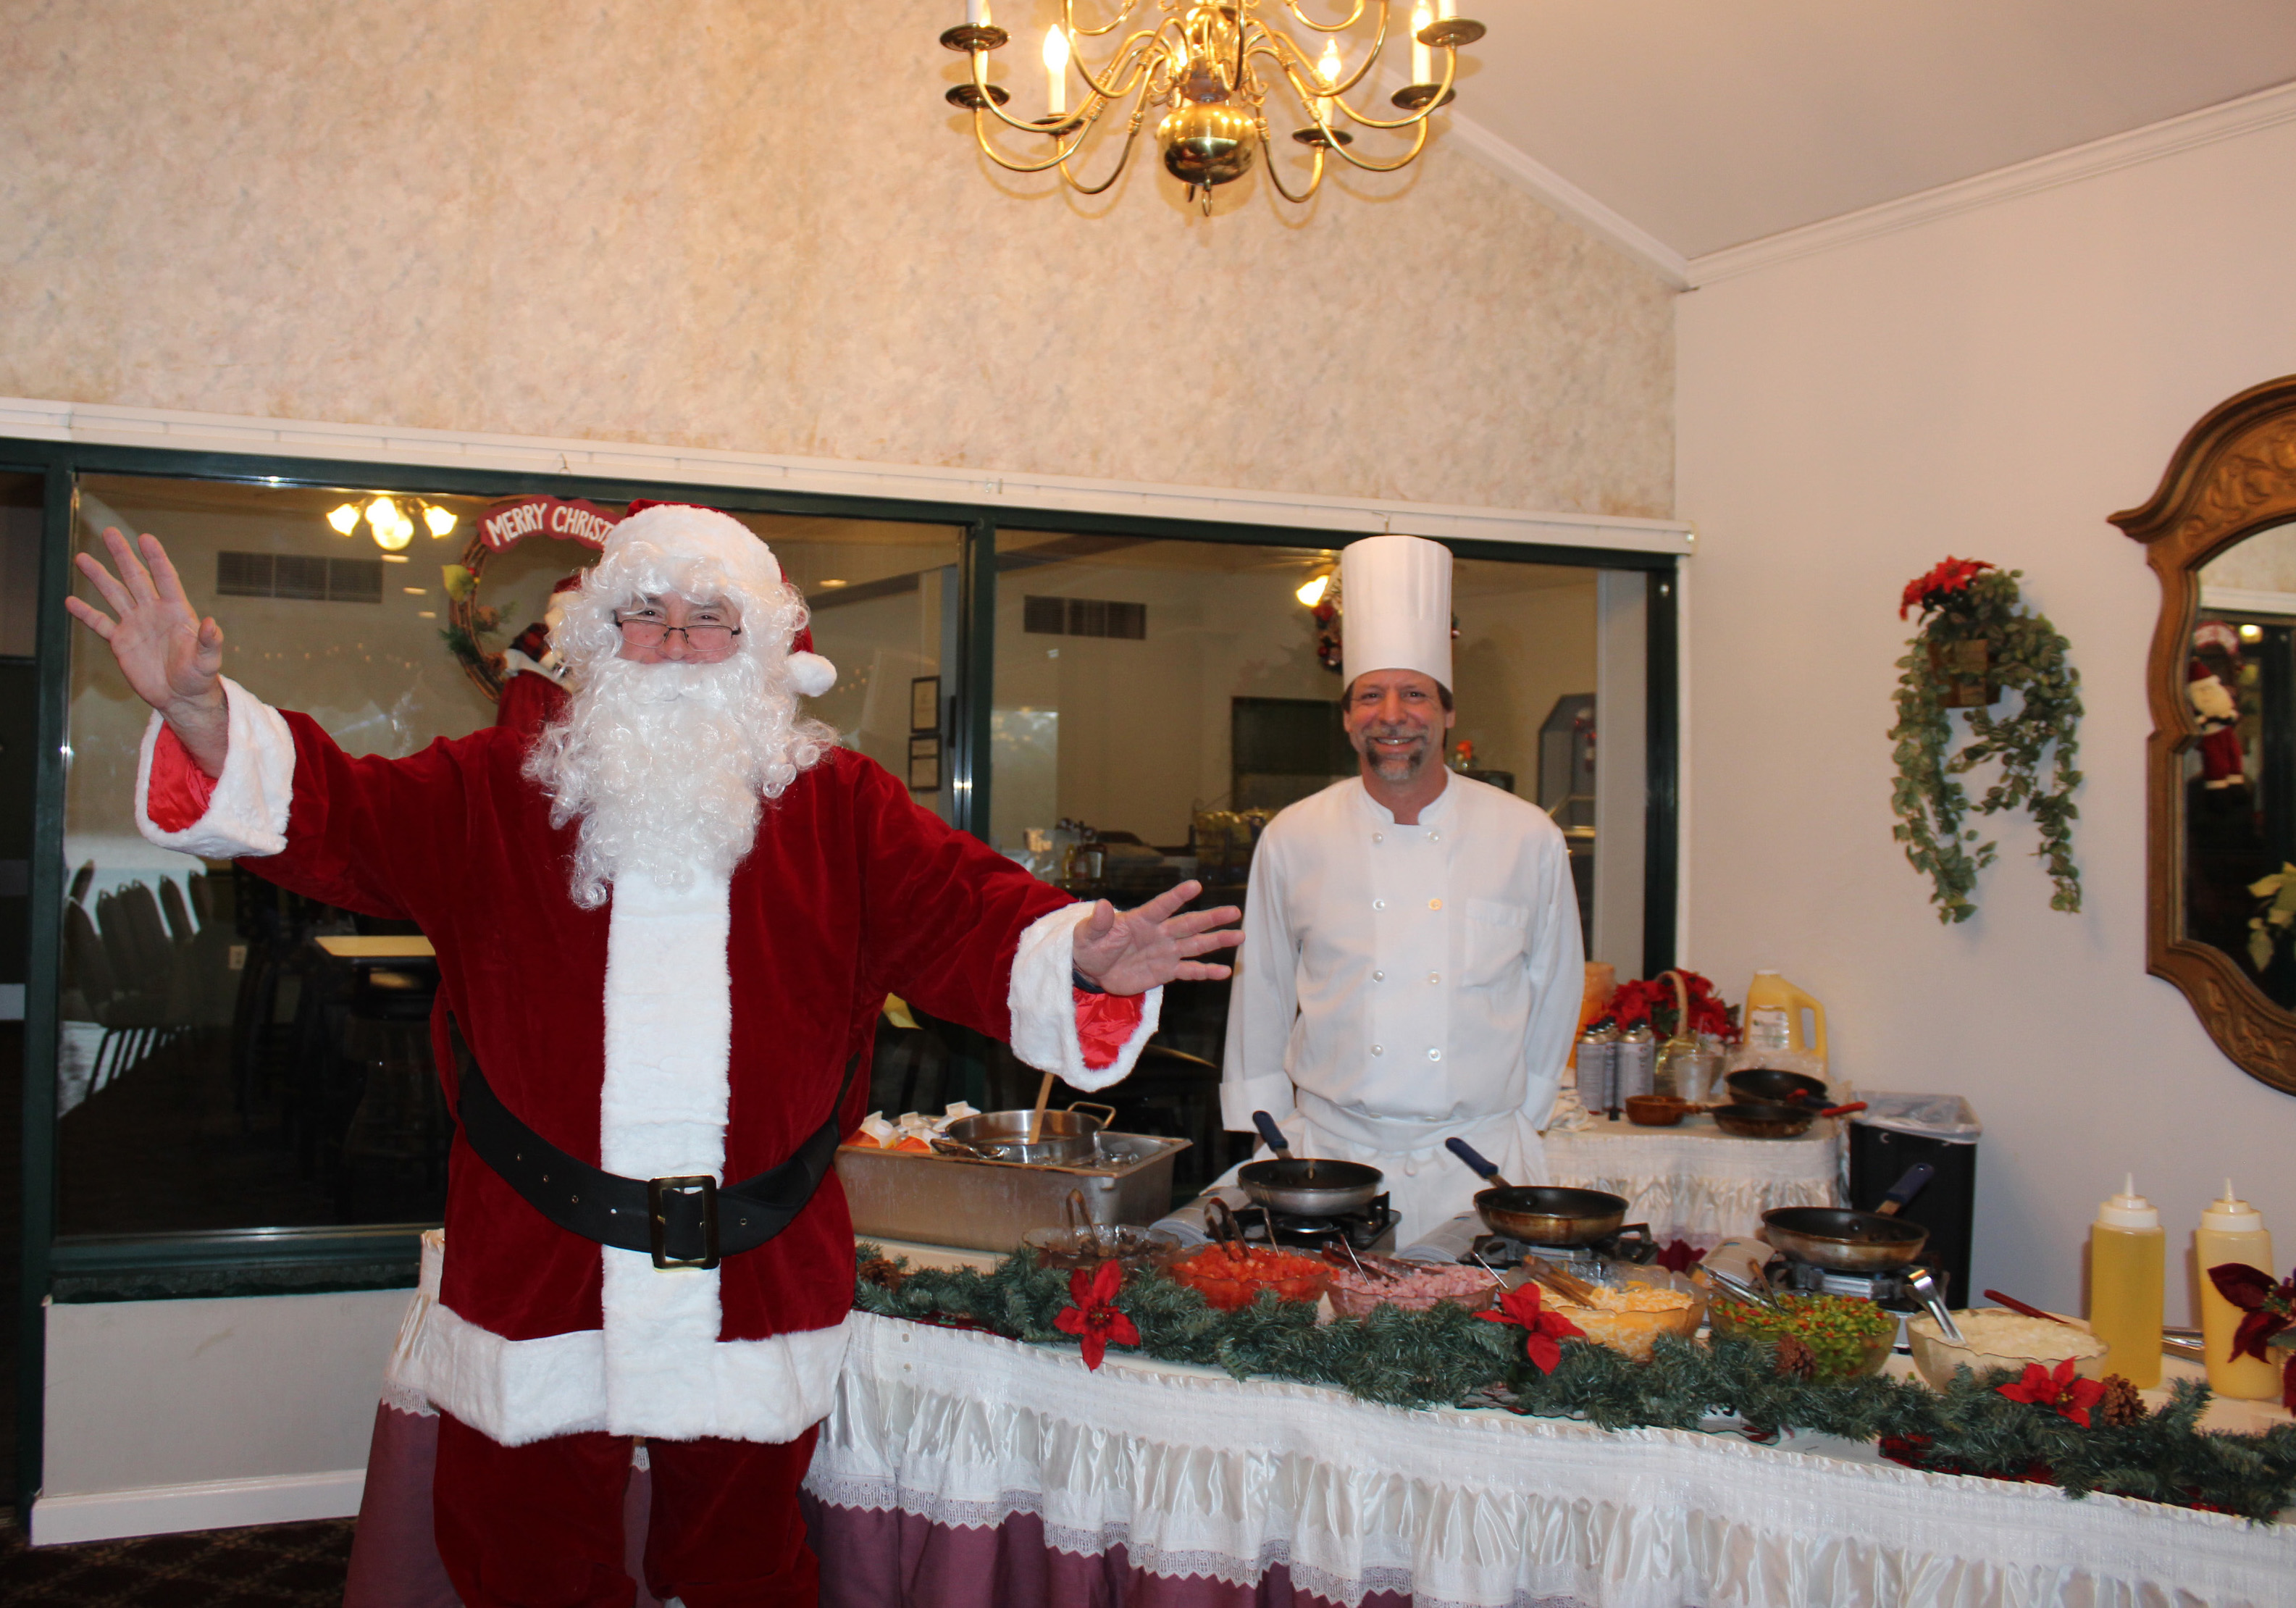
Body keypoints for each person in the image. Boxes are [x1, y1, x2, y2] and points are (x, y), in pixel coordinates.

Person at [67, 504, 1241, 1608]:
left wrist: (1084, 956)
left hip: (761, 1263)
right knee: (523, 1555)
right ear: (596, 635)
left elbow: (970, 917)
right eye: (648, 615)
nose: (677, 645)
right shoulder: (494, 791)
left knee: (744, 1566)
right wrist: (201, 715)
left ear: (762, 645)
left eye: (710, 619)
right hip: (536, 1259)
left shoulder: (841, 806)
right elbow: (332, 810)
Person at [1215, 533, 1584, 1241]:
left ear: (1446, 712)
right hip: (1326, 1160)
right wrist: (1268, 1125)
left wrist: (1526, 1110)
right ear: (1348, 716)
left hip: (1478, 1161)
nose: (1392, 715)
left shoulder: (1526, 835)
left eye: (1413, 694)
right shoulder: (1293, 836)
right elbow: (1261, 985)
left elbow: (1554, 983)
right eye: (1370, 696)